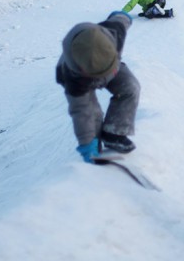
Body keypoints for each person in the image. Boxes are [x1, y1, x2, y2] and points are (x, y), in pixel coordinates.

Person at [56, 11, 140, 162]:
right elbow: (81, 112)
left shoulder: (115, 32)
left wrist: (123, 15)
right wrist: (86, 144)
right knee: (92, 113)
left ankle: (114, 132)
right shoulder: (73, 78)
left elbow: (121, 19)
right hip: (83, 80)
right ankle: (94, 146)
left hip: (111, 65)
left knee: (130, 87)